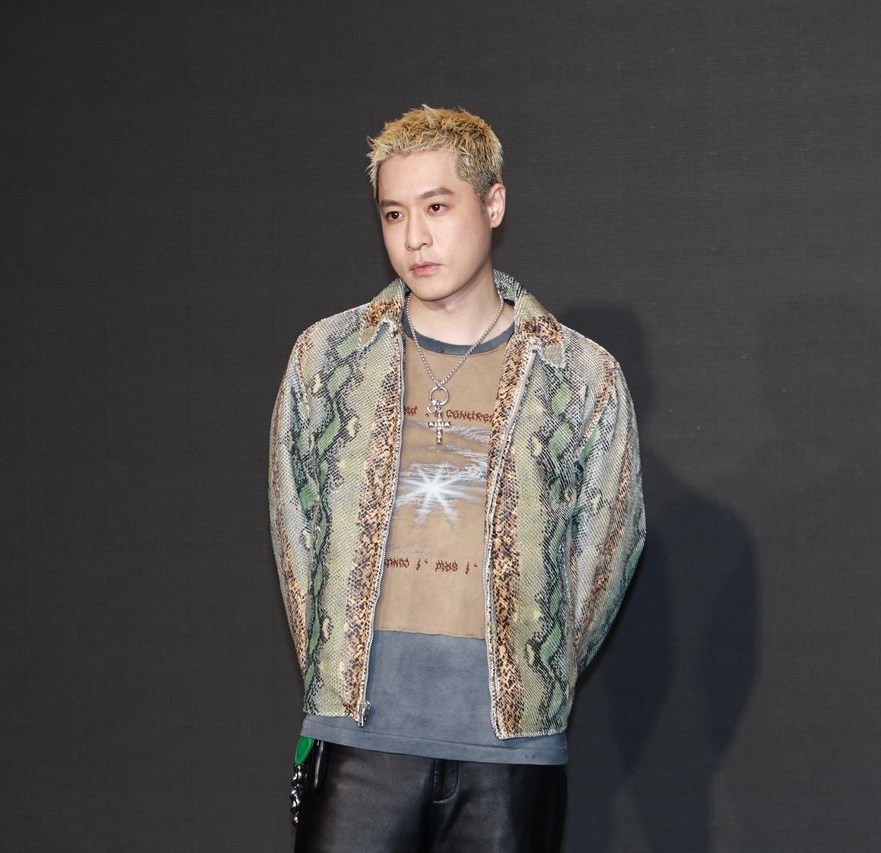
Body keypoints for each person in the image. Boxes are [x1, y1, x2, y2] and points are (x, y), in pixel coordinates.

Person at [268, 105, 645, 852]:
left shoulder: (579, 375)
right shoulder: (327, 359)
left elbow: (607, 551)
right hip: (356, 741)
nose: (414, 237)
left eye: (437, 207)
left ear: (492, 203)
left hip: (509, 753)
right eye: (394, 213)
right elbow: (295, 532)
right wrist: (335, 682)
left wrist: (533, 673)